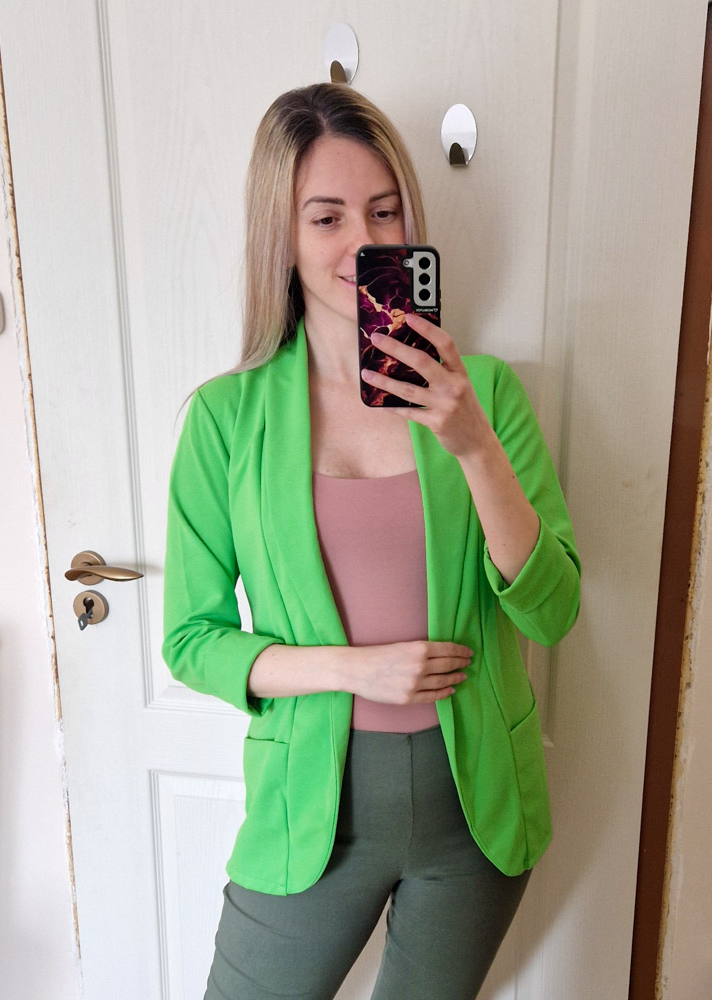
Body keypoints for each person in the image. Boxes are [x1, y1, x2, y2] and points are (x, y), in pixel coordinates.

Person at [162, 82, 580, 1000]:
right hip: (309, 815)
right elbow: (192, 641)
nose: (364, 240)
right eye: (328, 217)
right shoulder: (226, 420)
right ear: (281, 236)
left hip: (478, 812)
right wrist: (356, 670)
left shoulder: (486, 395)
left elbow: (552, 613)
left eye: (385, 211)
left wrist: (472, 446)